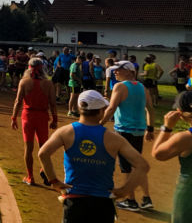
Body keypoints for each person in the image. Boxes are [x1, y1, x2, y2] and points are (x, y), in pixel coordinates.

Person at [39, 90, 149, 223]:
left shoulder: (65, 132)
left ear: (79, 108)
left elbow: (43, 153)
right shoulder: (114, 138)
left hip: (75, 200)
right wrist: (125, 190)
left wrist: (54, 181)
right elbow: (143, 166)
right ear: (101, 111)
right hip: (103, 203)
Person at [100, 60, 156, 212]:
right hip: (138, 130)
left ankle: (130, 200)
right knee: (138, 164)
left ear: (130, 72)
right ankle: (146, 198)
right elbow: (150, 109)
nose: (115, 72)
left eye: (119, 70)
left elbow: (111, 108)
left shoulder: (120, 86)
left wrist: (100, 124)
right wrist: (150, 128)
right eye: (115, 69)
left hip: (124, 131)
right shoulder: (142, 87)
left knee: (126, 167)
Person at [11, 57, 57, 185]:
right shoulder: (48, 83)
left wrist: (14, 117)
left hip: (28, 116)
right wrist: (55, 119)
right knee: (44, 147)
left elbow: (18, 101)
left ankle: (30, 177)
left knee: (28, 148)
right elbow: (53, 103)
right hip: (42, 116)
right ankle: (44, 169)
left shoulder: (24, 82)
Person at [151, 90, 192, 223]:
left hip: (188, 191)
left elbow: (158, 153)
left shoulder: (185, 138)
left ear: (180, 112)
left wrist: (167, 127)